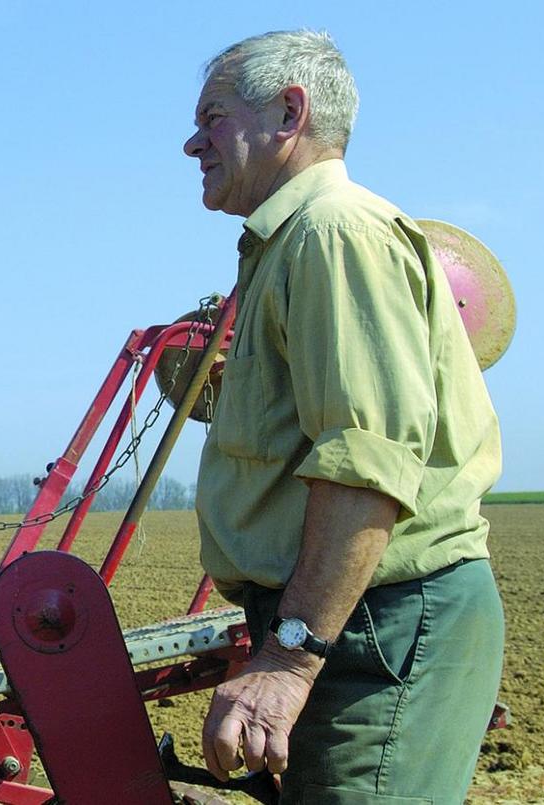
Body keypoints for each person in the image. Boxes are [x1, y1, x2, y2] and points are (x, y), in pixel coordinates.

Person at [184, 30, 505, 805]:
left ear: (289, 112)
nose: (193, 142)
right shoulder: (286, 245)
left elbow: (368, 463)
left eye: (214, 117)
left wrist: (289, 658)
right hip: (346, 622)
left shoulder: (335, 235)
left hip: (376, 631)